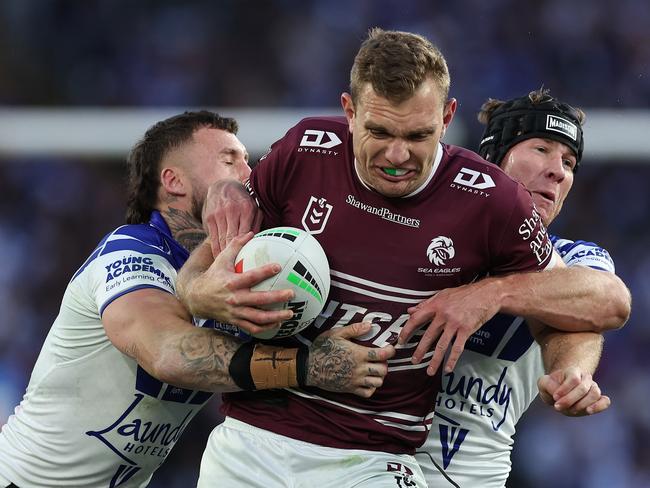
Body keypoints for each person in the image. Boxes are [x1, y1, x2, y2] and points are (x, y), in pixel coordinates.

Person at [177, 28, 624, 488]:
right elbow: (214, 251)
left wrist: (495, 298)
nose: (396, 155)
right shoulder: (305, 150)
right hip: (252, 445)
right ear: (349, 112)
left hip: (380, 462)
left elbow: (599, 306)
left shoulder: (496, 207)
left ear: (447, 118)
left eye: (417, 136)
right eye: (379, 131)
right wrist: (200, 288)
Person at [0, 111, 395, 488]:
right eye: (230, 161)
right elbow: (168, 354)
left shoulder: (235, 272)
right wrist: (308, 366)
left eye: (249, 162)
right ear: (173, 181)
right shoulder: (130, 253)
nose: (249, 175)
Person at [412, 89, 631, 487]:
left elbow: (609, 302)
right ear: (494, 156)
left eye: (569, 162)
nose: (559, 171)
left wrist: (570, 376)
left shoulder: (571, 260)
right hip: (368, 462)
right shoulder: (424, 227)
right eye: (542, 149)